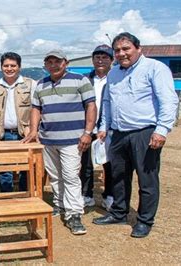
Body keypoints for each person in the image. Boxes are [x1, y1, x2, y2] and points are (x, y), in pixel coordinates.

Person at [93, 32, 179, 238]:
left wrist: (162, 130)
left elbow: (169, 100)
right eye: (118, 50)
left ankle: (144, 220)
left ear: (139, 49)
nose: (122, 53)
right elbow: (107, 103)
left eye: (126, 49)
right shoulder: (113, 74)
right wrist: (104, 126)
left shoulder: (155, 68)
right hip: (119, 133)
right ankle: (119, 213)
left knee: (146, 179)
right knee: (118, 177)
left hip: (145, 132)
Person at [23, 49, 97, 235]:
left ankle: (74, 214)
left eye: (57, 61)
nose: (53, 65)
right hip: (48, 140)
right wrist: (33, 130)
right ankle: (60, 204)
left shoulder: (81, 80)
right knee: (55, 176)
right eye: (49, 62)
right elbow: (36, 109)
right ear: (45, 65)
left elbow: (91, 106)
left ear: (66, 62)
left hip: (73, 140)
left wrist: (88, 132)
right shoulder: (40, 84)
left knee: (71, 176)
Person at [0, 52, 36, 192]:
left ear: (19, 67)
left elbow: (36, 109)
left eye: (13, 65)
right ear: (1, 67)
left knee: (27, 167)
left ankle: (26, 197)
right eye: (6, 65)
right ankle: (6, 197)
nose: (9, 68)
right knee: (4, 169)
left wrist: (32, 129)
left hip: (25, 134)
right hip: (3, 134)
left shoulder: (30, 84)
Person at [80, 44, 114, 210]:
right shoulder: (85, 79)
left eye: (105, 57)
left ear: (111, 60)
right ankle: (86, 195)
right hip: (88, 128)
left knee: (110, 164)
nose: (100, 61)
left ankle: (109, 196)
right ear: (93, 60)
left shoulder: (117, 78)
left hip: (110, 129)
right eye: (97, 57)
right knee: (85, 164)